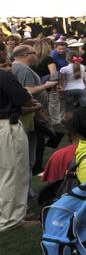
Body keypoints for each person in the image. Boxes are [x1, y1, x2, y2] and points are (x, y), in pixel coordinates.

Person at [12, 44, 58, 175]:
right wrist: (45, 85)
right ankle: (34, 169)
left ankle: (33, 168)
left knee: (37, 141)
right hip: (31, 113)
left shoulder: (20, 68)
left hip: (33, 112)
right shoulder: (22, 69)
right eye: (34, 53)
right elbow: (28, 90)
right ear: (25, 55)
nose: (37, 55)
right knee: (35, 143)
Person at [0, 65, 34, 231]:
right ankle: (11, 220)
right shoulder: (4, 76)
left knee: (5, 173)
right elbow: (25, 99)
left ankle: (10, 214)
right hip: (6, 125)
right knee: (13, 172)